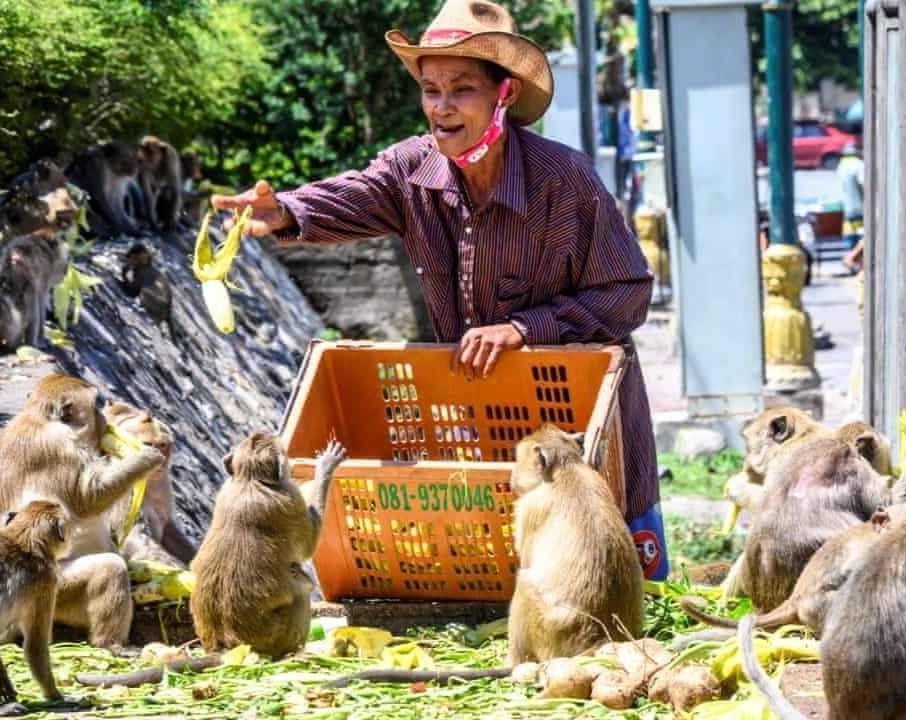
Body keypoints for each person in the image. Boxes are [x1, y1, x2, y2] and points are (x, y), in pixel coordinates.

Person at [212, 0, 669, 580]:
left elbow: (626, 294)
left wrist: (527, 328)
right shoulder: (410, 171)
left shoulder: (565, 181)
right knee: (518, 597)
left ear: (502, 95)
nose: (442, 108)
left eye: (461, 90)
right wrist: (283, 210)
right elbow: (351, 194)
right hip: (491, 439)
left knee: (622, 607)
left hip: (591, 435)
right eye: (431, 90)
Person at [837, 141, 864, 273]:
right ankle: (851, 258)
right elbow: (863, 184)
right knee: (864, 237)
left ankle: (853, 263)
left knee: (852, 239)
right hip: (861, 208)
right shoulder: (859, 165)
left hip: (848, 209)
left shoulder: (841, 166)